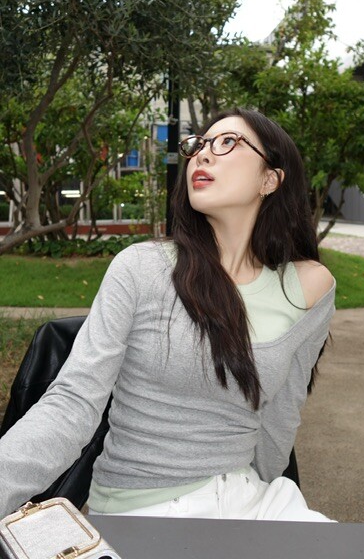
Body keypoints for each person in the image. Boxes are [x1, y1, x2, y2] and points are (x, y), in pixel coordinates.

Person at [0, 107, 335, 521]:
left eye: (227, 142)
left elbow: (280, 417)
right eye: (199, 144)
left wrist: (263, 529)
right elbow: (72, 403)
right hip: (147, 510)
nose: (202, 154)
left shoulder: (309, 288)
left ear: (270, 179)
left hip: (253, 499)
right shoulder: (141, 268)